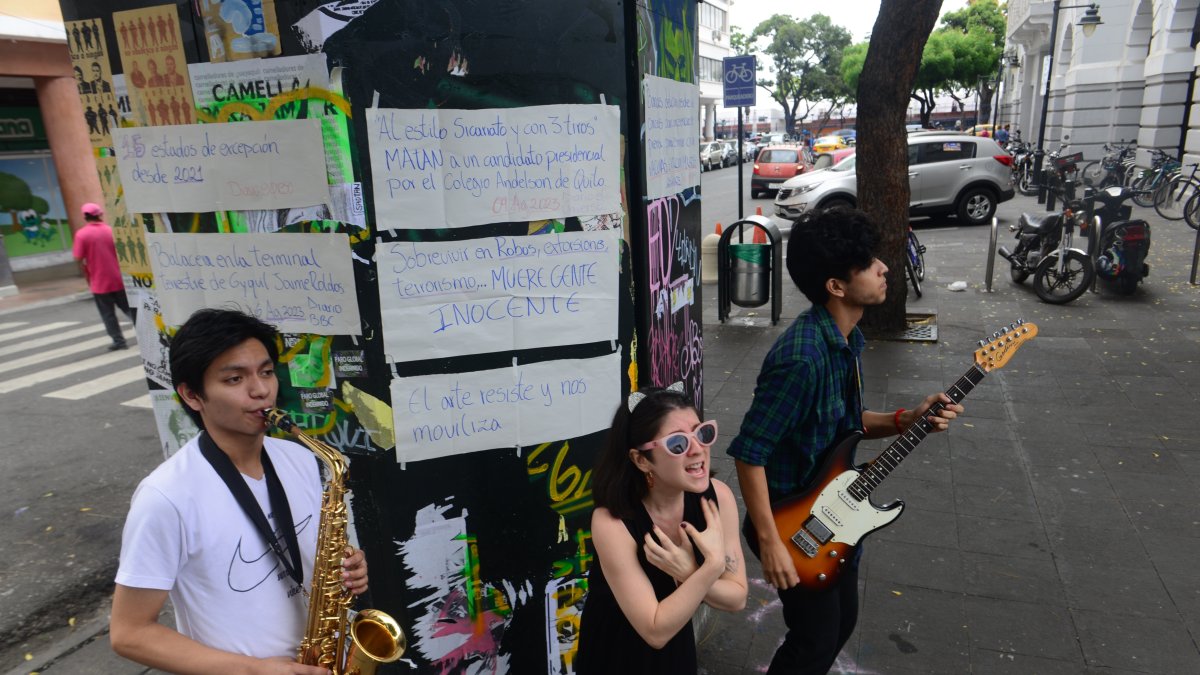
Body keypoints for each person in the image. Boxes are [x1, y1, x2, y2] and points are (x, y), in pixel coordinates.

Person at [727, 207, 964, 675]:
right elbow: (749, 453)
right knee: (812, 642)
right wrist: (771, 545)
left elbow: (844, 422)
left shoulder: (845, 340)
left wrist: (907, 418)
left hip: (835, 512)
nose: (884, 268)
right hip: (791, 523)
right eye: (869, 264)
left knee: (840, 624)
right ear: (837, 286)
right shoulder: (802, 358)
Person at [109, 308, 369, 674]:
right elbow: (129, 633)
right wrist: (256, 670)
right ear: (192, 396)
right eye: (234, 379)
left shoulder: (300, 459)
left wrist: (347, 570)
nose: (261, 390)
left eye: (265, 372)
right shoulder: (166, 497)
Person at [576, 384, 747, 674]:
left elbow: (737, 597)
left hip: (676, 639)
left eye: (702, 433)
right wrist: (711, 567)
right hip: (616, 652)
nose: (698, 450)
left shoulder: (719, 499)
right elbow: (654, 630)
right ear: (641, 460)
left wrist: (688, 572)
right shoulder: (612, 522)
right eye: (677, 443)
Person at [73, 203, 136, 350]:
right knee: (129, 310)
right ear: (100, 214)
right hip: (118, 279)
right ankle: (147, 334)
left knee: (108, 315)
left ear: (85, 217)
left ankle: (119, 341)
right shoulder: (110, 231)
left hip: (99, 283)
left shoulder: (81, 235)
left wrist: (86, 271)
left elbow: (78, 257)